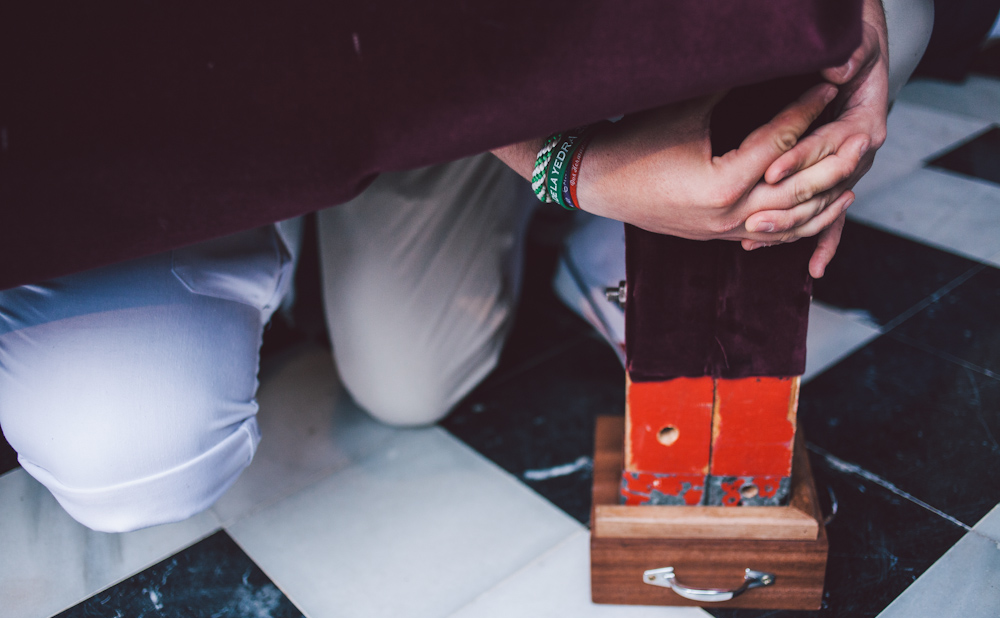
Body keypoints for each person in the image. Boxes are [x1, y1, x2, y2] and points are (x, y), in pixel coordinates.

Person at [0, 0, 922, 533]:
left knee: (407, 380)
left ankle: (633, 224)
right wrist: (569, 165)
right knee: (132, 432)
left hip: (427, 47)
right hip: (136, 112)